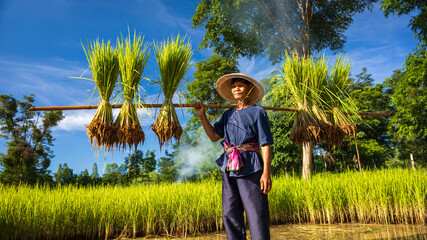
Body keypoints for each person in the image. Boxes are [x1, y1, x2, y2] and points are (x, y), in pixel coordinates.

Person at [194, 73, 274, 240]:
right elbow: (214, 136)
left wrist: (266, 173)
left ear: (249, 89)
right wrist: (202, 115)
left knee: (255, 213)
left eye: (241, 85)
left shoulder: (257, 112)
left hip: (251, 165)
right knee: (230, 212)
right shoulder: (227, 114)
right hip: (230, 165)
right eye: (234, 86)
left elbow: (265, 144)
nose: (237, 88)